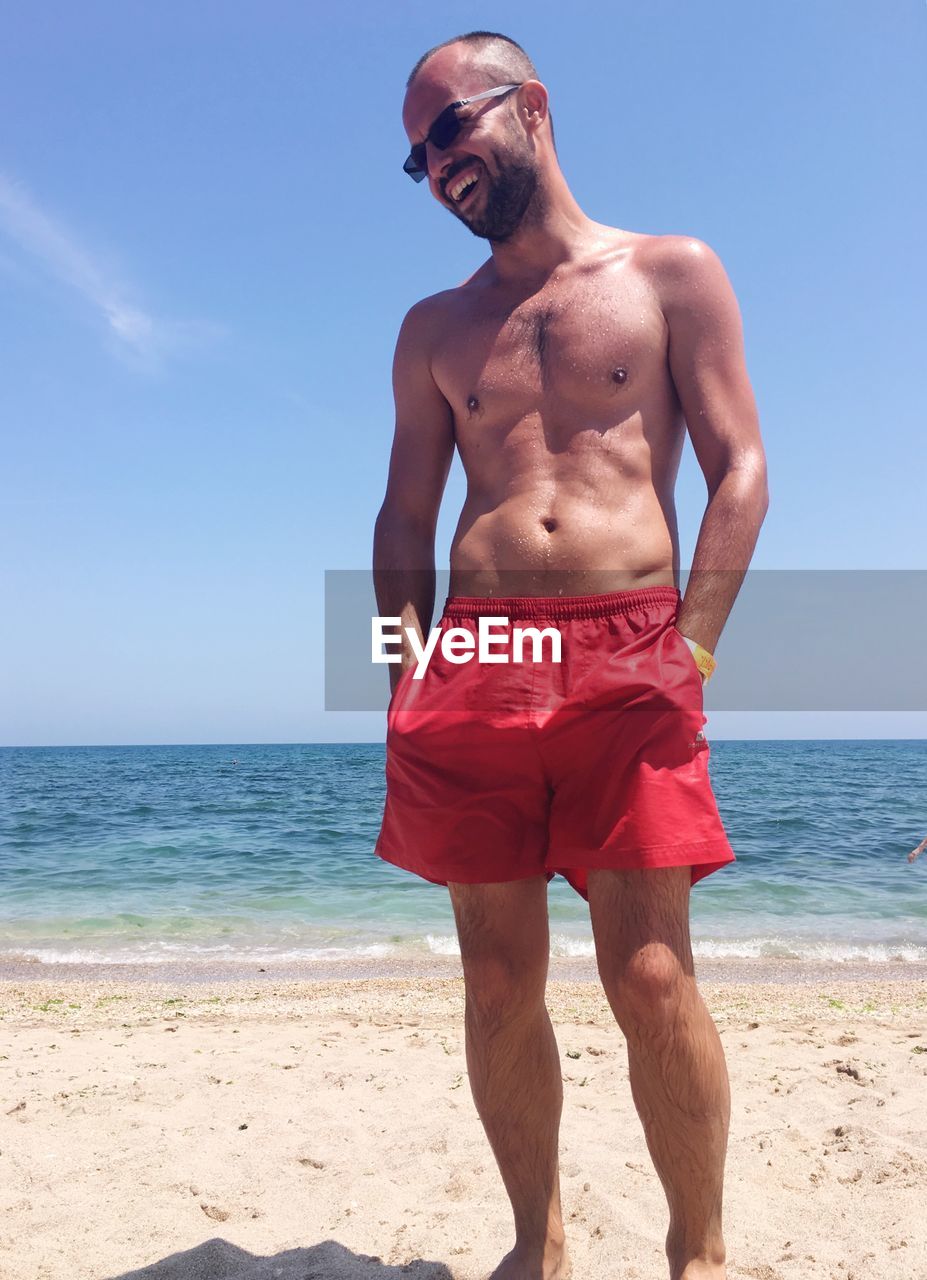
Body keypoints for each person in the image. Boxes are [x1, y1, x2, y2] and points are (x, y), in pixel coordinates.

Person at [372, 30, 768, 1280]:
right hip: (471, 664)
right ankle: (536, 1241)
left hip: (631, 650)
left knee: (650, 974)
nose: (438, 166)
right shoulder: (434, 326)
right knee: (497, 982)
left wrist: (691, 648)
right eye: (419, 156)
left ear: (529, 106)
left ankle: (698, 1252)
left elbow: (740, 469)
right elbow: (401, 517)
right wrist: (401, 675)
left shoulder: (670, 271)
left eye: (452, 131)